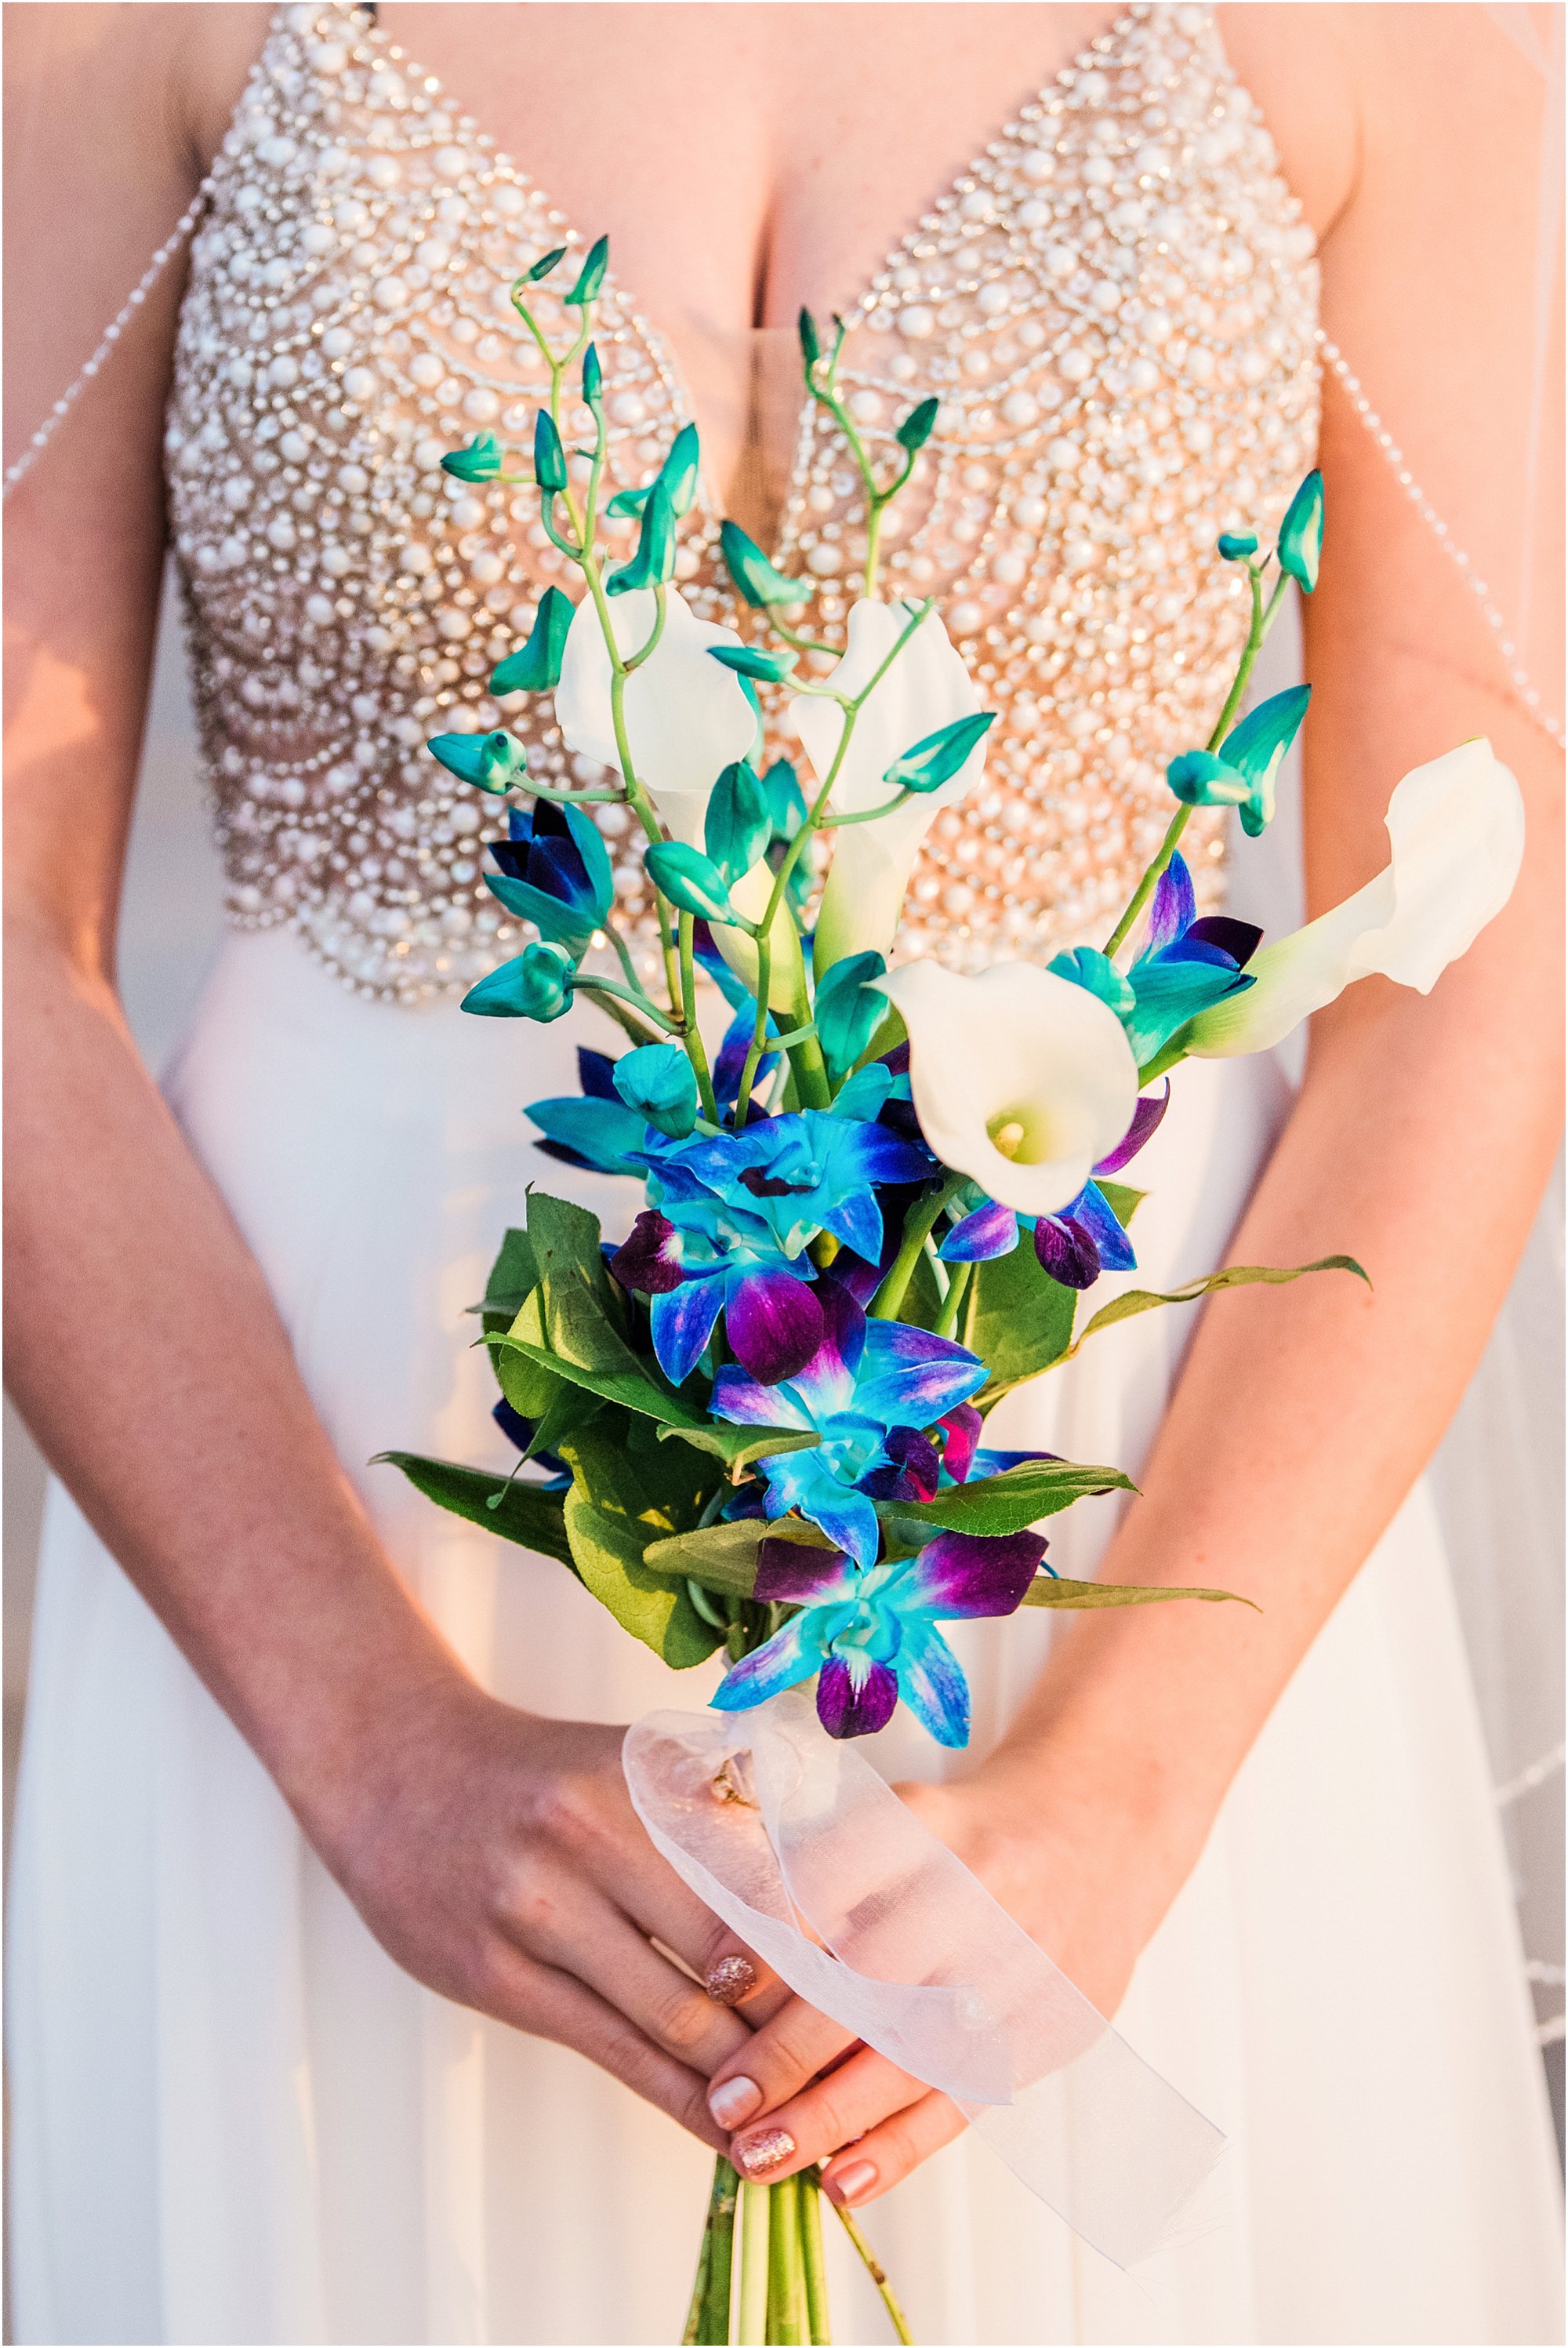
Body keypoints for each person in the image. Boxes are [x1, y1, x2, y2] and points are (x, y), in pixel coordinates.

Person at [5, 5, 1562, 2341]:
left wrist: (1136, 1774)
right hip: (324, 1533)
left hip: (1123, 1558)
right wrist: (363, 1730)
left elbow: (1476, 916)